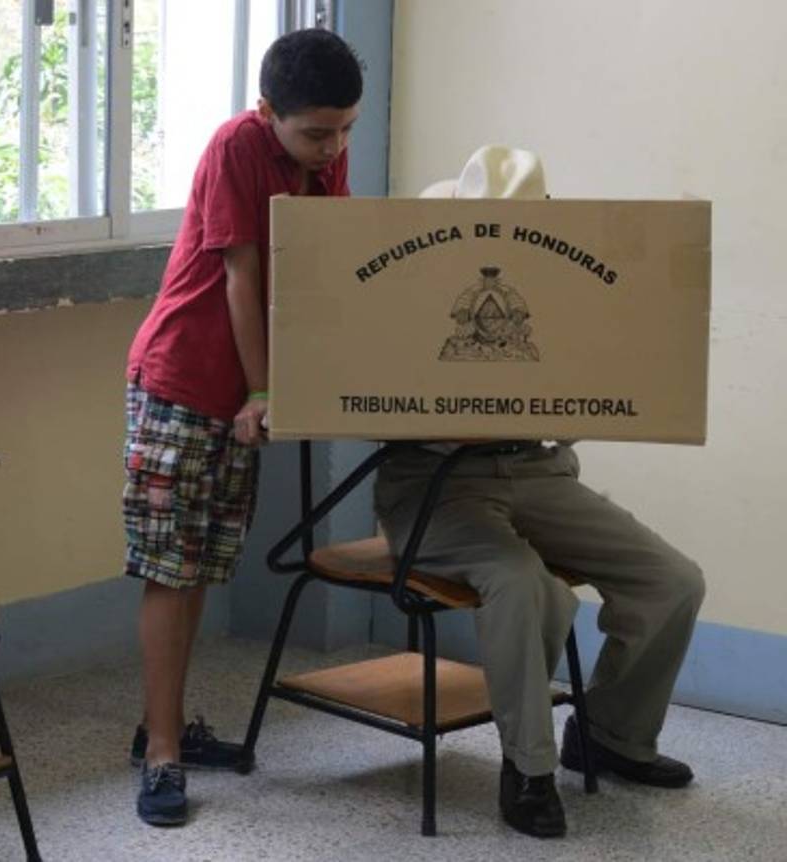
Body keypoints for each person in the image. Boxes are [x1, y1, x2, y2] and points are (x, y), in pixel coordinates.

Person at [375, 145, 706, 839]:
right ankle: (528, 767)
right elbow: (361, 397)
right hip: (435, 482)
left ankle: (612, 735)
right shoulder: (411, 279)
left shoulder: (565, 284)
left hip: (536, 470)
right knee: (525, 581)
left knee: (671, 580)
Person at [122, 28, 363, 826]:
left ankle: (165, 726)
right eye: (317, 132)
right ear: (267, 113)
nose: (333, 148)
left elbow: (324, 267)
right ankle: (161, 753)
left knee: (204, 564)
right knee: (172, 569)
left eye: (345, 129)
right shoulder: (236, 147)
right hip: (185, 382)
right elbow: (243, 275)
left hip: (247, 397)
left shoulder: (325, 155)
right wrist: (263, 389)